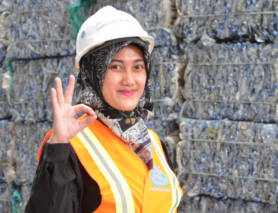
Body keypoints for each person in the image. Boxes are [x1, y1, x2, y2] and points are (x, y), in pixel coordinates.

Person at [25, 6, 183, 213]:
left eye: (138, 67)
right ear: (92, 74)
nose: (129, 80)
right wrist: (58, 148)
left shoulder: (154, 143)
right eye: (115, 67)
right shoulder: (71, 145)